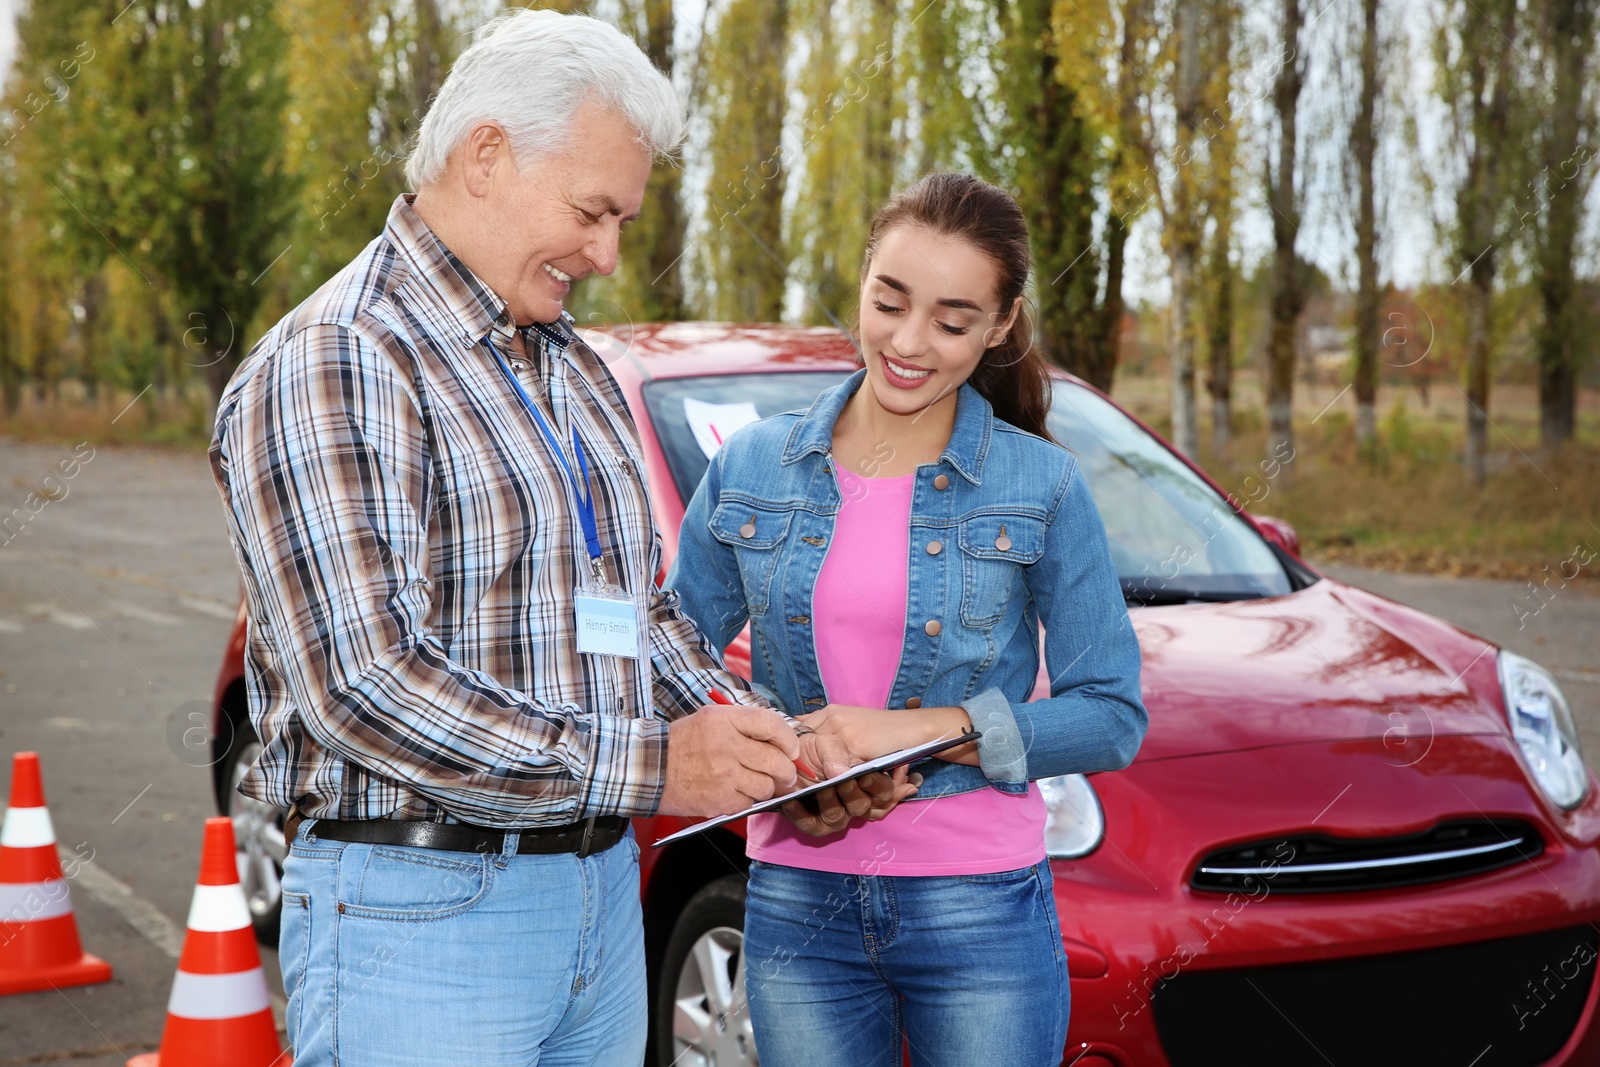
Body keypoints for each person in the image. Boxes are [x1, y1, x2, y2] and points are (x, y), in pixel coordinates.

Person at [207, 11, 866, 1066]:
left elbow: (634, 616)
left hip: (597, 899)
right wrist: (656, 767)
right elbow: (366, 684)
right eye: (591, 211)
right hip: (422, 916)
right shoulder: (339, 359)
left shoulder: (569, 365)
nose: (607, 255)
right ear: (484, 154)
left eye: (622, 221)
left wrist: (767, 747)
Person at [667, 172, 1149, 1066]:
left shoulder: (1040, 486)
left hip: (981, 912)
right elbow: (669, 668)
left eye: (952, 321)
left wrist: (933, 731)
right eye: (889, 302)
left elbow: (1112, 715)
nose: (908, 341)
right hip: (796, 902)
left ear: (1000, 325)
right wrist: (783, 764)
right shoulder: (755, 468)